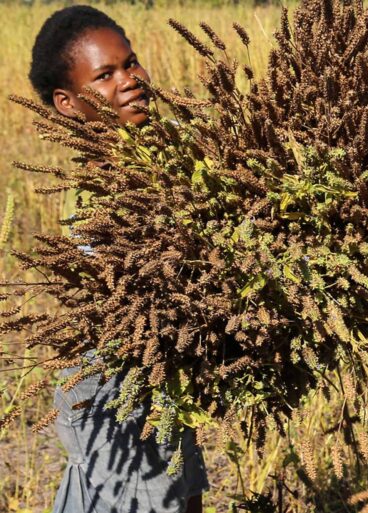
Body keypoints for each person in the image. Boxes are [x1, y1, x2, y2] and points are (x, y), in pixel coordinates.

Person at [28, 6, 208, 513]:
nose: (129, 80)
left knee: (183, 500)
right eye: (104, 75)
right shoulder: (96, 201)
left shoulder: (160, 163)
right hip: (117, 401)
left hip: (162, 385)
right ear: (67, 103)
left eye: (130, 63)